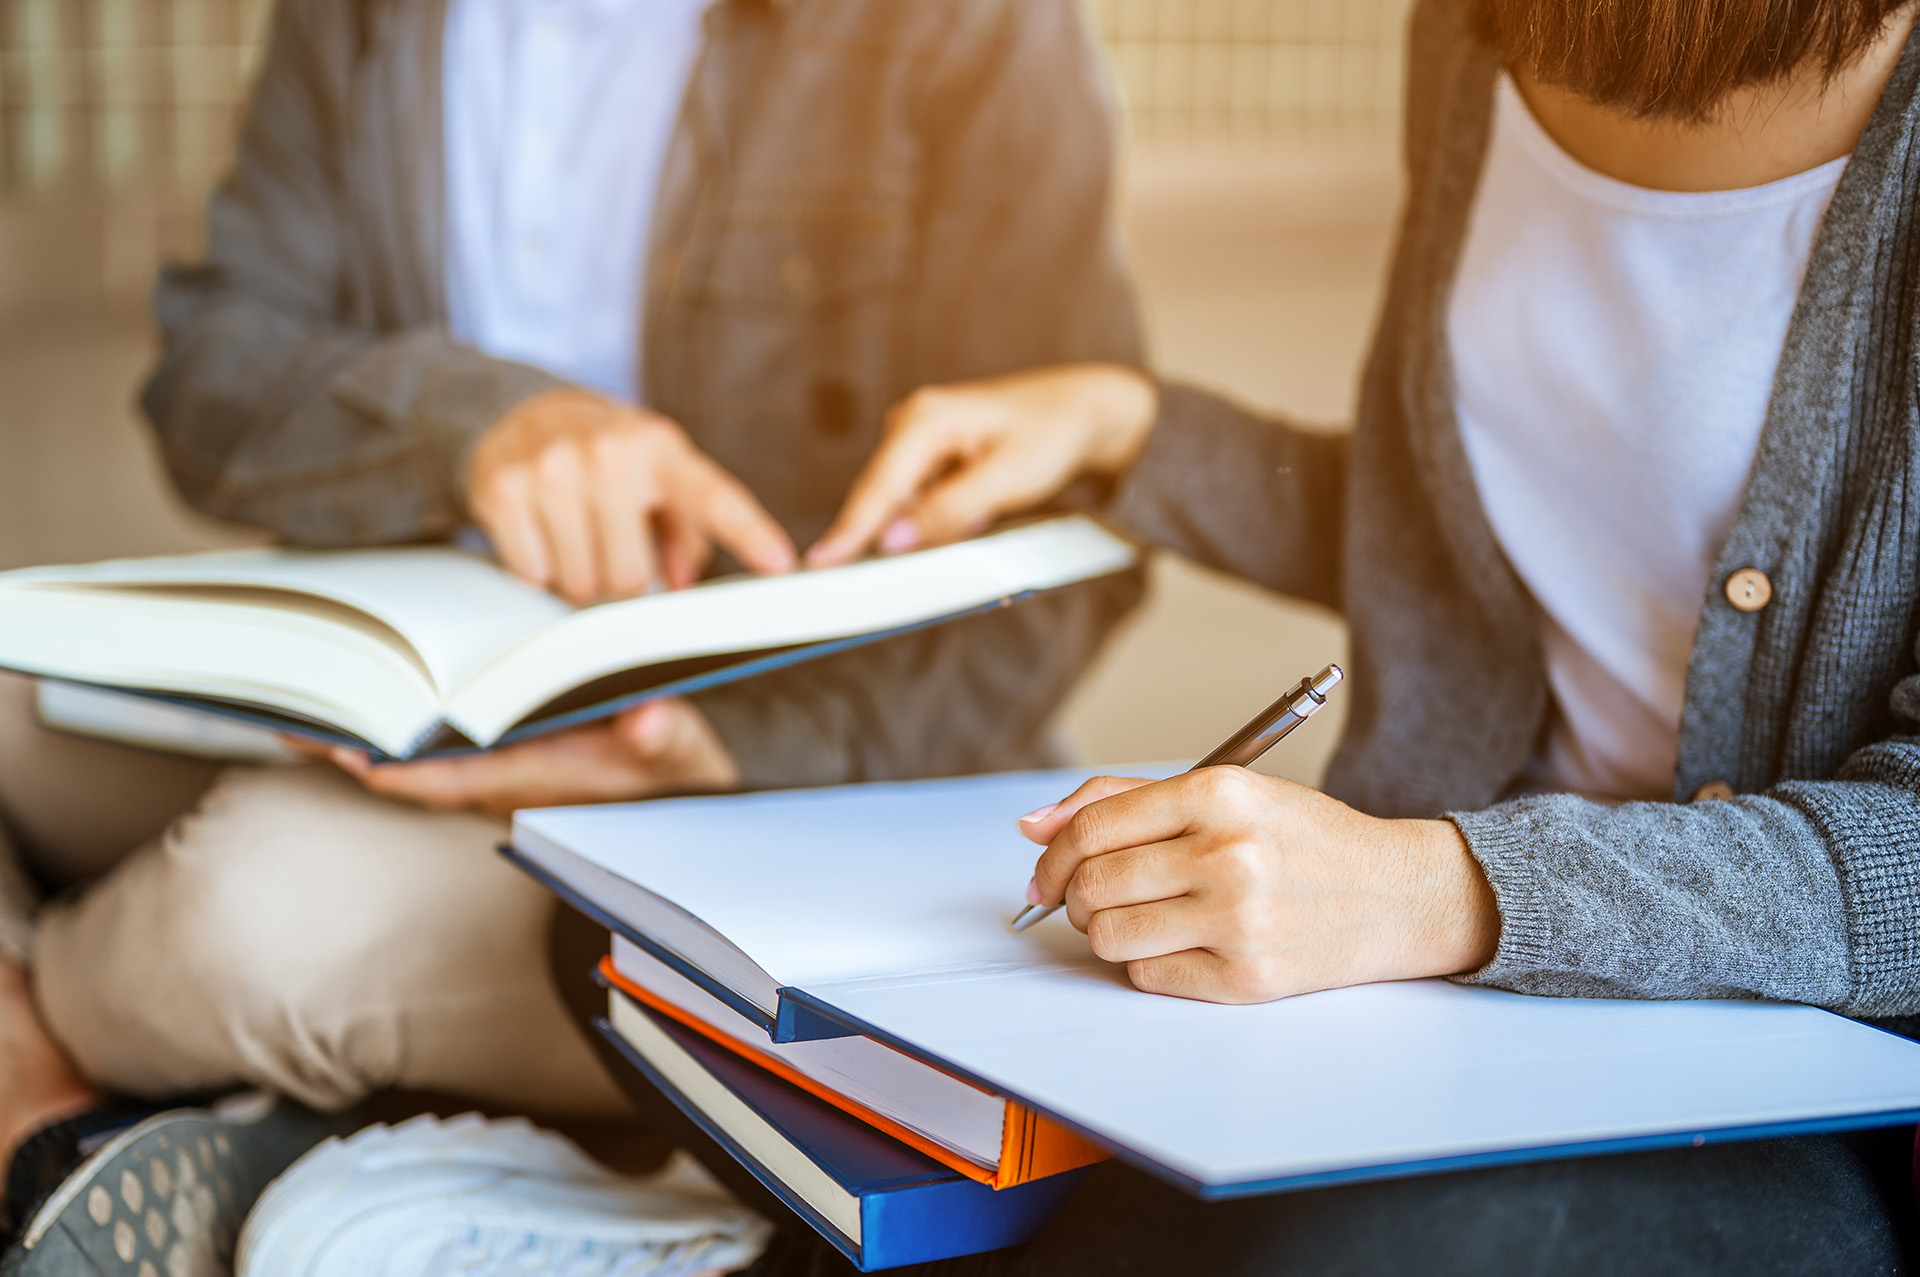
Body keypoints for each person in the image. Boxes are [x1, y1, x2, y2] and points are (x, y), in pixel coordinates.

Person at [559, 0, 1920, 1267]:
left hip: (1783, 1061)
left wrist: (1432, 890)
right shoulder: (1483, 34)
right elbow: (1505, 551)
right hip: (1405, 992)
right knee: (657, 983)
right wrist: (1135, 433)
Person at [0, 0, 1142, 1261]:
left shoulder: (969, 28)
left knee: (228, 923)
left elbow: (1078, 543)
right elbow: (208, 367)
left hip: (770, 787)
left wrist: (737, 739)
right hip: (415, 693)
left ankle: (55, 1086)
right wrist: (473, 428)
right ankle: (178, 1103)